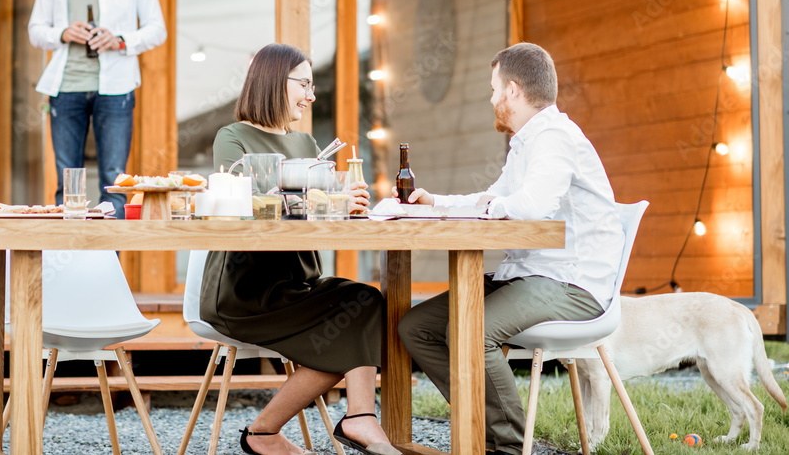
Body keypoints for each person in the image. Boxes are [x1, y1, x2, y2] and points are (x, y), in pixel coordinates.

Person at [396, 43, 624, 455]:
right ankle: (479, 431)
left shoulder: (554, 137)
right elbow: (495, 198)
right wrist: (439, 205)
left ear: (513, 90)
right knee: (416, 328)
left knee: (472, 331)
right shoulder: (527, 142)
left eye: (493, 89)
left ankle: (511, 446)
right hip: (529, 276)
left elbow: (532, 208)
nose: (491, 99)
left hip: (571, 283)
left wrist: (490, 207)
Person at [203, 43, 398, 455]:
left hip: (301, 285)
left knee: (367, 300)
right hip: (244, 293)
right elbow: (248, 207)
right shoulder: (232, 138)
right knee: (349, 326)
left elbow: (314, 212)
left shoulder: (308, 143)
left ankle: (357, 417)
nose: (311, 95)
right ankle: (268, 432)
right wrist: (314, 199)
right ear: (275, 80)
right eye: (304, 84)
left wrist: (345, 202)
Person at [28, 0, 166, 216]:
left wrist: (119, 40)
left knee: (115, 184)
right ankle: (69, 267)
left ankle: (108, 268)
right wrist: (63, 32)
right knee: (67, 185)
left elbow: (156, 30)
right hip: (65, 89)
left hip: (116, 89)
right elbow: (36, 31)